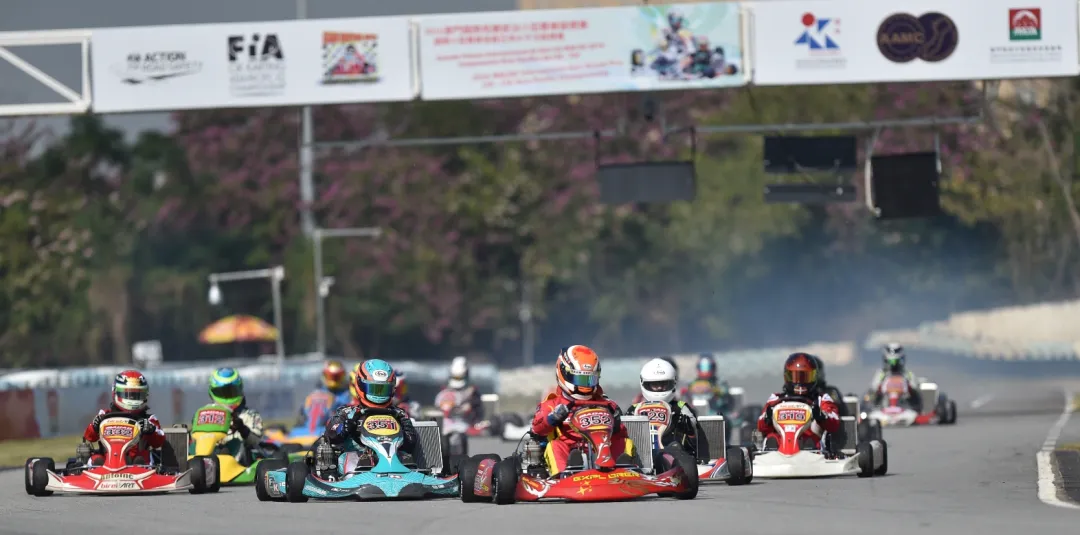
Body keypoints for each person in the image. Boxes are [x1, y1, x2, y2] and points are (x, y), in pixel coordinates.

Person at [530, 345, 633, 476]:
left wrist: (616, 423)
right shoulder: (552, 404)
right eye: (580, 379)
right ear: (564, 373)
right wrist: (553, 418)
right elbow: (537, 429)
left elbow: (621, 434)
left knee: (625, 442)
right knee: (554, 446)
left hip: (603, 451)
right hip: (569, 451)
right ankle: (564, 474)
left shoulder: (607, 404)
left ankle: (626, 471)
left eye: (589, 380)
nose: (585, 386)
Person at [315, 359, 418, 478]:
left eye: (383, 390)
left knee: (405, 456)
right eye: (374, 389)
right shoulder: (347, 412)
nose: (378, 395)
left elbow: (410, 444)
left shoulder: (398, 413)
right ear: (361, 386)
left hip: (394, 459)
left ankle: (401, 474)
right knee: (347, 458)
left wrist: (405, 428)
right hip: (356, 463)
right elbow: (331, 435)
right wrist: (346, 426)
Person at [628, 358, 708, 460]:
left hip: (675, 458)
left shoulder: (681, 407)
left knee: (675, 447)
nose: (659, 388)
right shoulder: (634, 409)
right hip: (640, 456)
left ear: (672, 383)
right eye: (655, 384)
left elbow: (700, 443)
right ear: (645, 384)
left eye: (663, 384)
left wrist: (690, 432)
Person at [758, 353, 840, 451]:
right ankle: (771, 450)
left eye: (805, 377)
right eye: (796, 377)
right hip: (781, 444)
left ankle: (810, 449)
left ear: (814, 377)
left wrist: (821, 416)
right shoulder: (775, 398)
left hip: (811, 443)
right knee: (772, 438)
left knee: (811, 440)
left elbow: (835, 422)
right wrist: (767, 417)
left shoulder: (821, 399)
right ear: (787, 376)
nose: (800, 382)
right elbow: (761, 426)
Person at [82, 370, 165, 465]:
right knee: (96, 459)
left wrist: (151, 430)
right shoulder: (104, 415)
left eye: (136, 395)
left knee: (142, 459)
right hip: (107, 460)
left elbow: (159, 441)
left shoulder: (149, 419)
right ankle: (97, 470)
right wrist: (94, 426)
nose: (132, 398)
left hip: (136, 461)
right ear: (116, 392)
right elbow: (89, 437)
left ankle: (139, 469)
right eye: (128, 394)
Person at [208, 367, 265, 466]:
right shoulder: (207, 413)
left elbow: (256, 441)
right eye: (222, 392)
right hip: (212, 458)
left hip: (242, 463)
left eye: (231, 392)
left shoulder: (249, 415)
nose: (227, 396)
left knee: (236, 444)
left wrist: (242, 428)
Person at [295, 360, 352, 429]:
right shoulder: (318, 392)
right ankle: (307, 427)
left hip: (334, 426)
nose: (333, 379)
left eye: (336, 377)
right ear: (325, 375)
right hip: (310, 427)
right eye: (331, 376)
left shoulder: (347, 394)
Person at [868, 343, 922, 412]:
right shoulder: (881, 374)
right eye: (891, 362)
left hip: (905, 406)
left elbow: (915, 389)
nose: (894, 365)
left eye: (896, 362)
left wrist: (909, 387)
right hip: (884, 406)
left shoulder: (908, 374)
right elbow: (873, 389)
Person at [436, 356, 484, 426]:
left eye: (459, 377)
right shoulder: (444, 392)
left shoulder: (473, 393)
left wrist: (466, 407)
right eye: (455, 377)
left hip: (466, 423)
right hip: (447, 422)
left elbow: (478, 413)